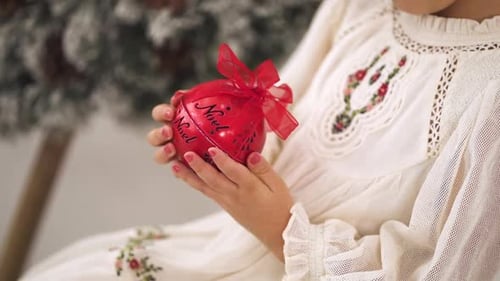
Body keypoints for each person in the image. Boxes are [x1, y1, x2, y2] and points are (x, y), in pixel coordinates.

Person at [20, 0, 500, 280]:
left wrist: (279, 228)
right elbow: (279, 116)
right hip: (221, 251)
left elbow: (442, 269)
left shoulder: (491, 91)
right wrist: (222, 147)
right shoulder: (361, 9)